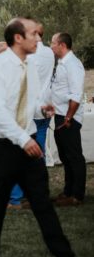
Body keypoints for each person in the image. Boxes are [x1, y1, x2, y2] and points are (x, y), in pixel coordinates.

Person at [0, 18, 92, 257]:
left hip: (27, 143)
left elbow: (28, 101)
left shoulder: (30, 66)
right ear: (18, 38)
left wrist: (43, 107)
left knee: (43, 204)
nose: (39, 40)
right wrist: (22, 139)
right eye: (34, 35)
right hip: (3, 147)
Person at [10, 24, 55, 209]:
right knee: (39, 152)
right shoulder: (49, 53)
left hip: (29, 109)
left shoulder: (30, 56)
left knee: (21, 154)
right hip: (44, 107)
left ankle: (16, 197)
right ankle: (38, 192)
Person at [50, 32, 86, 207]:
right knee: (65, 156)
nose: (51, 46)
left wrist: (69, 117)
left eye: (53, 43)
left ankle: (77, 195)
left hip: (68, 117)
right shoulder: (62, 63)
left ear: (62, 45)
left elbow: (76, 95)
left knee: (74, 156)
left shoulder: (73, 64)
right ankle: (68, 191)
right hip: (60, 115)